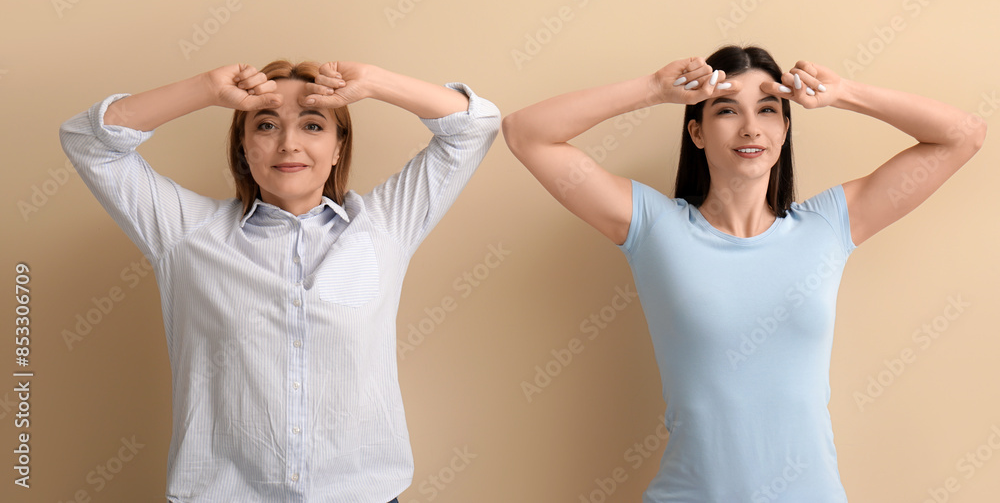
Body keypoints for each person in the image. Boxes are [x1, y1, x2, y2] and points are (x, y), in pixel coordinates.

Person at [501, 45, 986, 501]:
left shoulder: (828, 225)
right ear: (697, 132)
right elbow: (525, 132)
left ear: (785, 130)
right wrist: (653, 89)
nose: (751, 128)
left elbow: (964, 134)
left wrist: (843, 93)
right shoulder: (654, 226)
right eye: (727, 110)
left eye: (768, 109)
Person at [59, 60, 500, 502]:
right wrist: (207, 88)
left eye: (313, 125)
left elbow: (475, 125)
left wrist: (373, 81)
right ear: (243, 149)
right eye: (267, 126)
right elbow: (87, 140)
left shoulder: (384, 226)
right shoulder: (186, 233)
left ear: (338, 148)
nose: (289, 144)